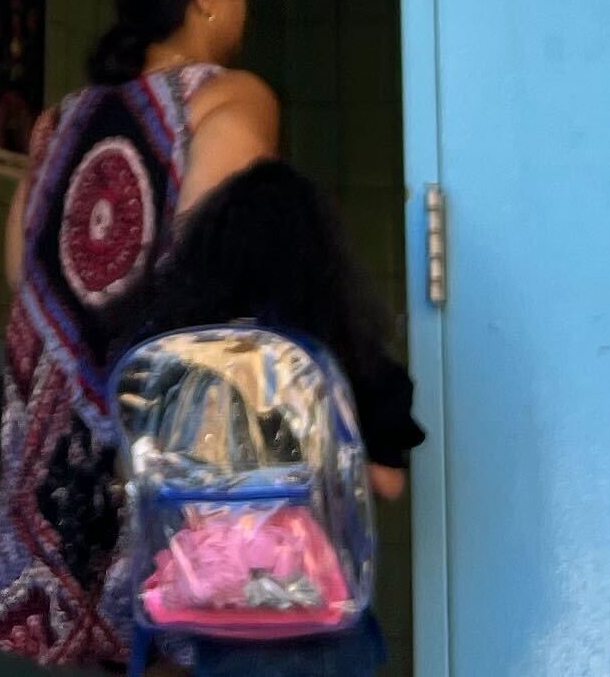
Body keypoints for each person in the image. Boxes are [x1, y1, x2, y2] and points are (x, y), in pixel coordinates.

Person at [0, 0, 281, 667]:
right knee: (193, 643)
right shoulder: (233, 98)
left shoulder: (59, 120)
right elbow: (220, 259)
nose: (245, 10)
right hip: (172, 410)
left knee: (99, 651)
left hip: (58, 432)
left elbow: (21, 268)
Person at [113, 158, 423, 676]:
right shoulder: (347, 357)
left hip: (213, 603)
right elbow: (386, 484)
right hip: (314, 606)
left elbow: (137, 474)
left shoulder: (175, 362)